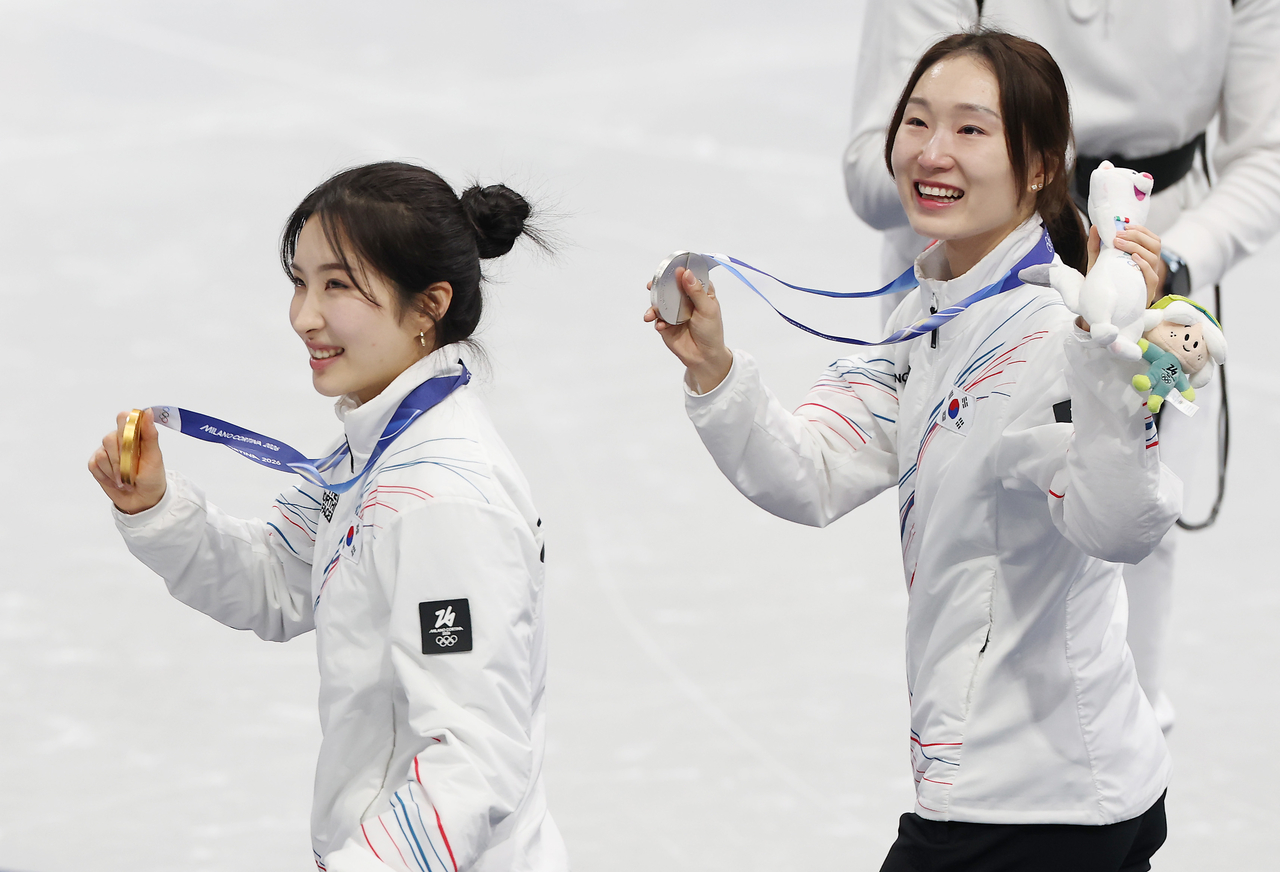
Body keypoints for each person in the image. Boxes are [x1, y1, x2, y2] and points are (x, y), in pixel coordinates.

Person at [646, 31, 1177, 870]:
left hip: (1036, 806)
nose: (932, 152)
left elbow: (1118, 525)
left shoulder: (1056, 336)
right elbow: (813, 470)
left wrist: (1109, 366)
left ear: (1041, 166)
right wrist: (714, 368)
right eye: (918, 121)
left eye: (970, 129)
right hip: (1024, 788)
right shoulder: (932, 316)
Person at [88, 162, 568, 872]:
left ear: (428, 305)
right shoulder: (381, 447)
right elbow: (278, 580)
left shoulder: (442, 502)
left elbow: (473, 764)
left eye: (337, 285)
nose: (304, 316)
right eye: (300, 281)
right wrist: (159, 510)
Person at [843, 0, 1280, 733]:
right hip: (975, 284)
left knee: (1131, 568)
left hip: (1149, 283)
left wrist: (1160, 268)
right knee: (977, 594)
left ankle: (1121, 780)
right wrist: (1014, 190)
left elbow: (1266, 154)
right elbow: (869, 169)